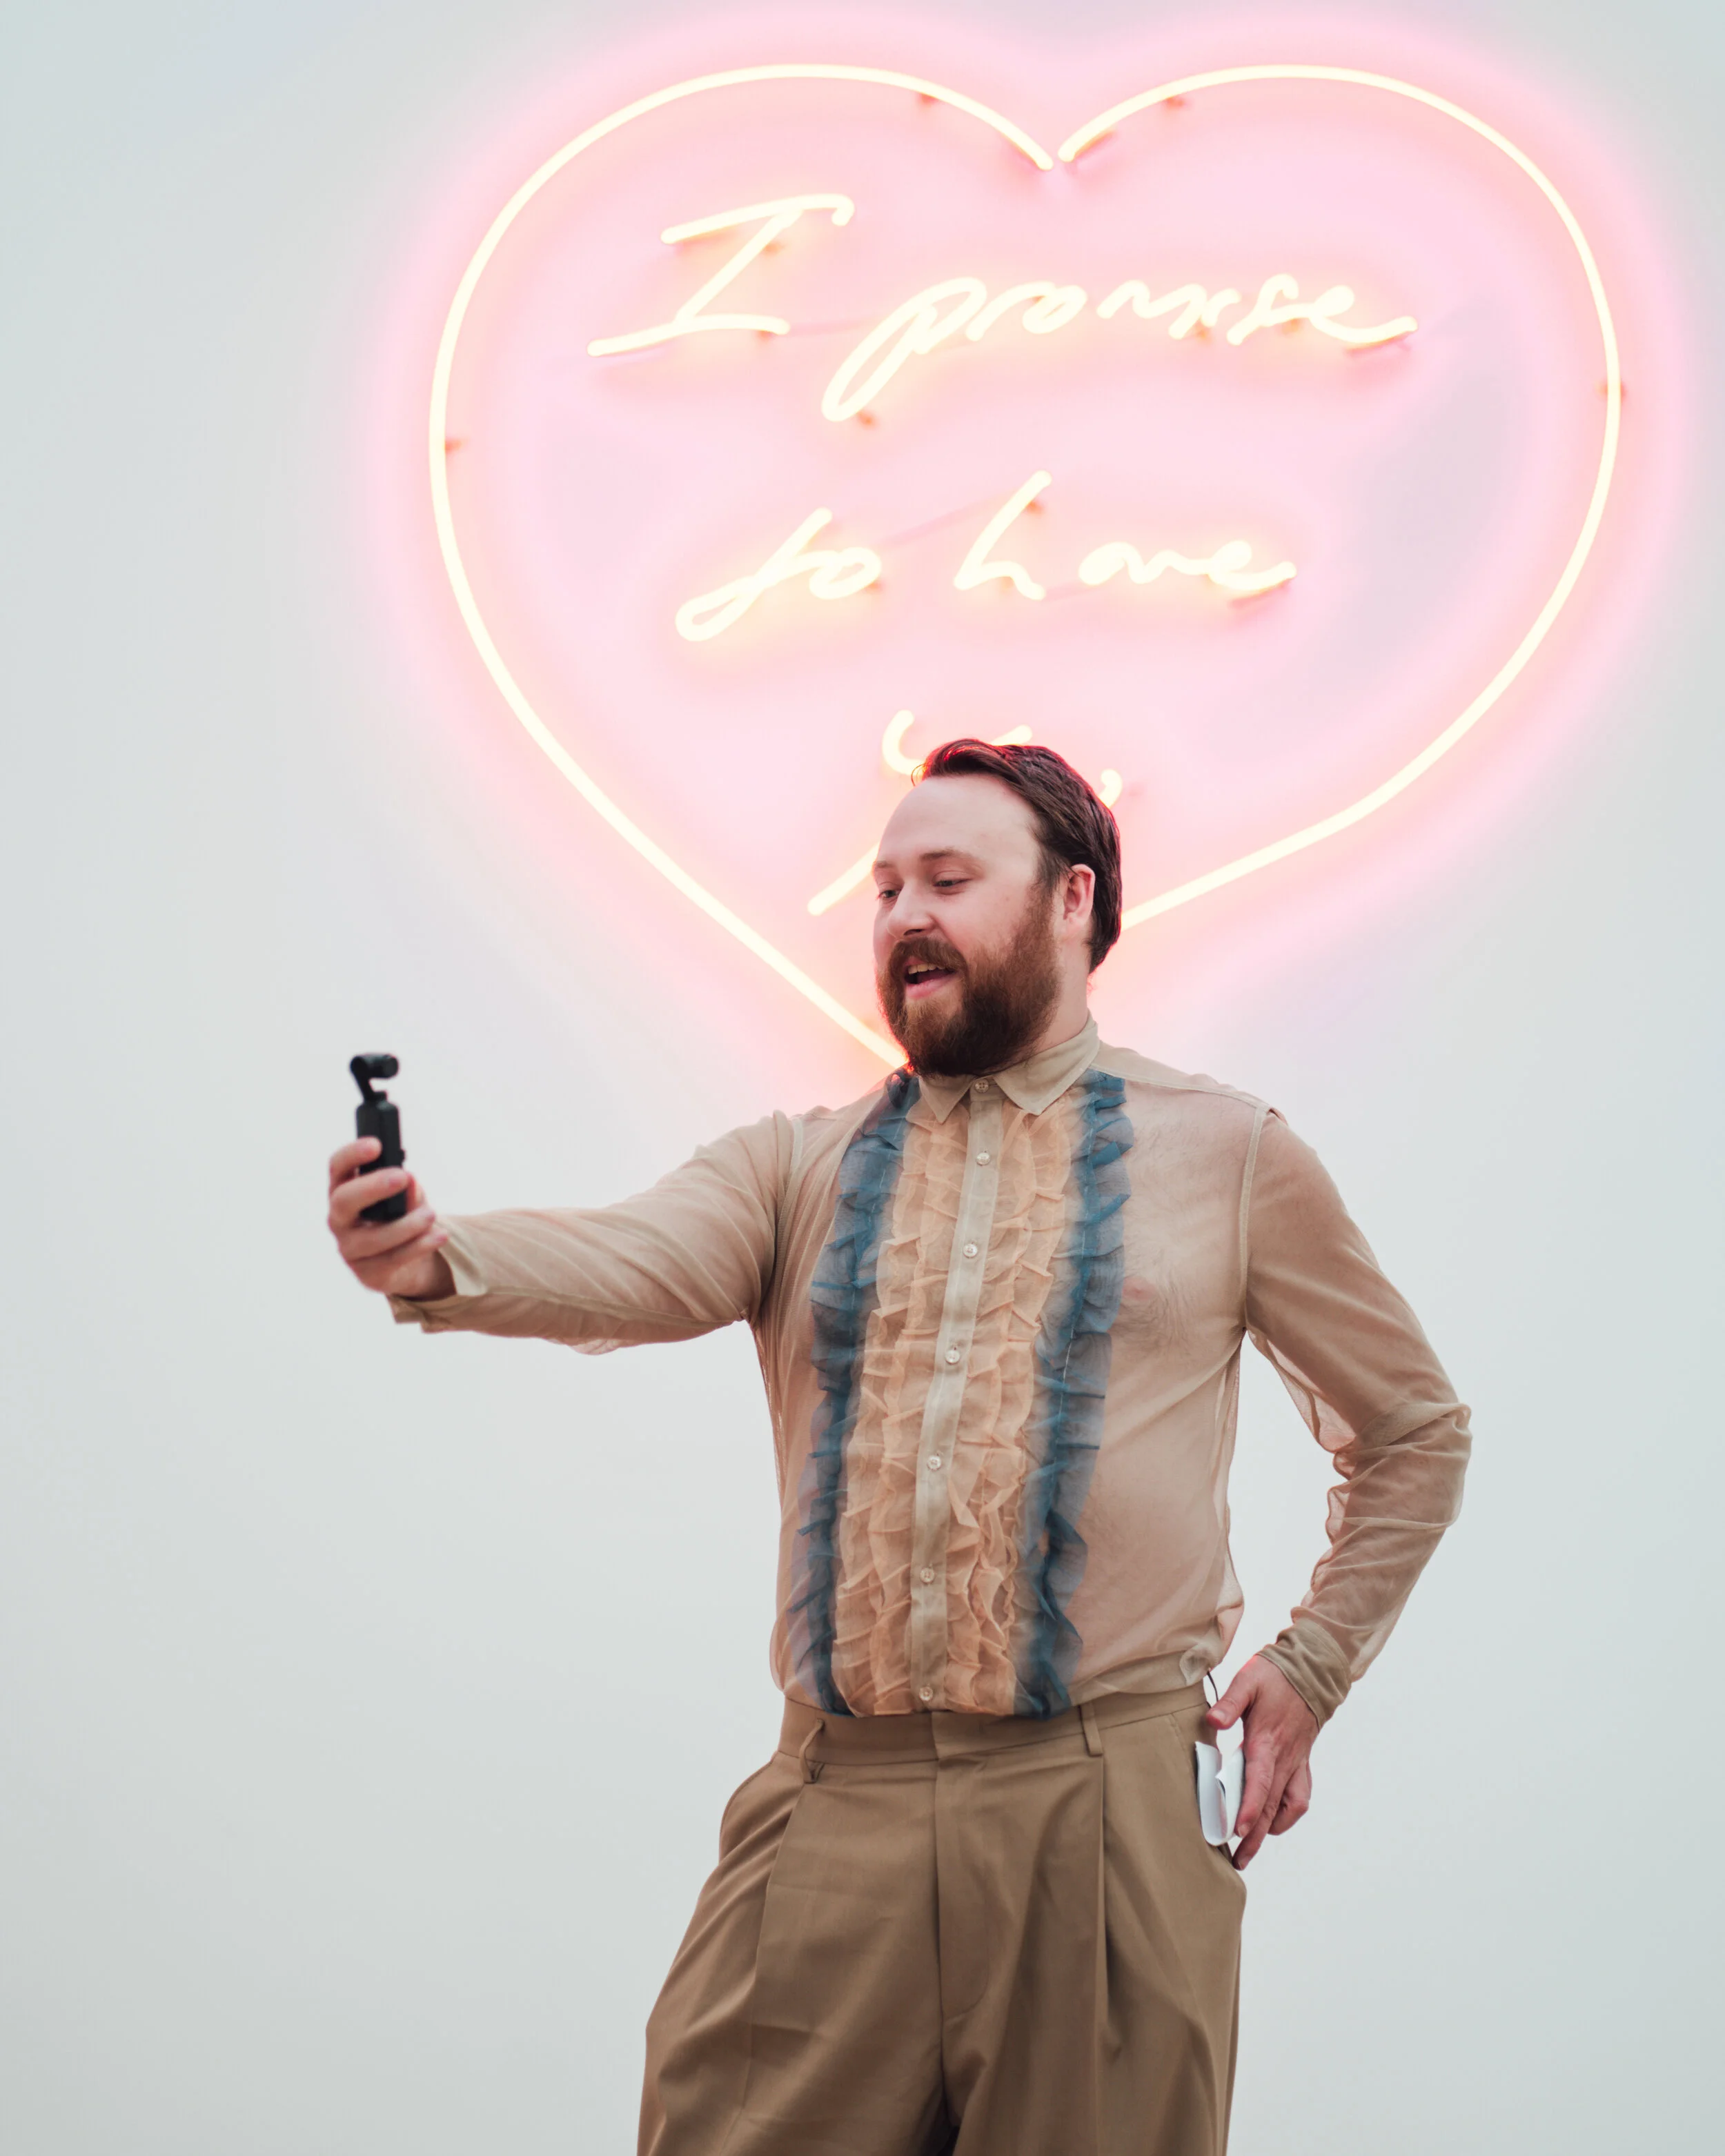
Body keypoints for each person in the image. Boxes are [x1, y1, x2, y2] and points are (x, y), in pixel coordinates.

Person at [326, 740, 1470, 2156]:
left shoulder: (1232, 1153)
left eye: (946, 880)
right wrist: (437, 1257)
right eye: (882, 889)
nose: (902, 916)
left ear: (1073, 899)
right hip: (833, 1809)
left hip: (1104, 1815)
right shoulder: (792, 1164)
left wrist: (1312, 1668)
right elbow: (632, 1258)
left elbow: (1412, 1429)